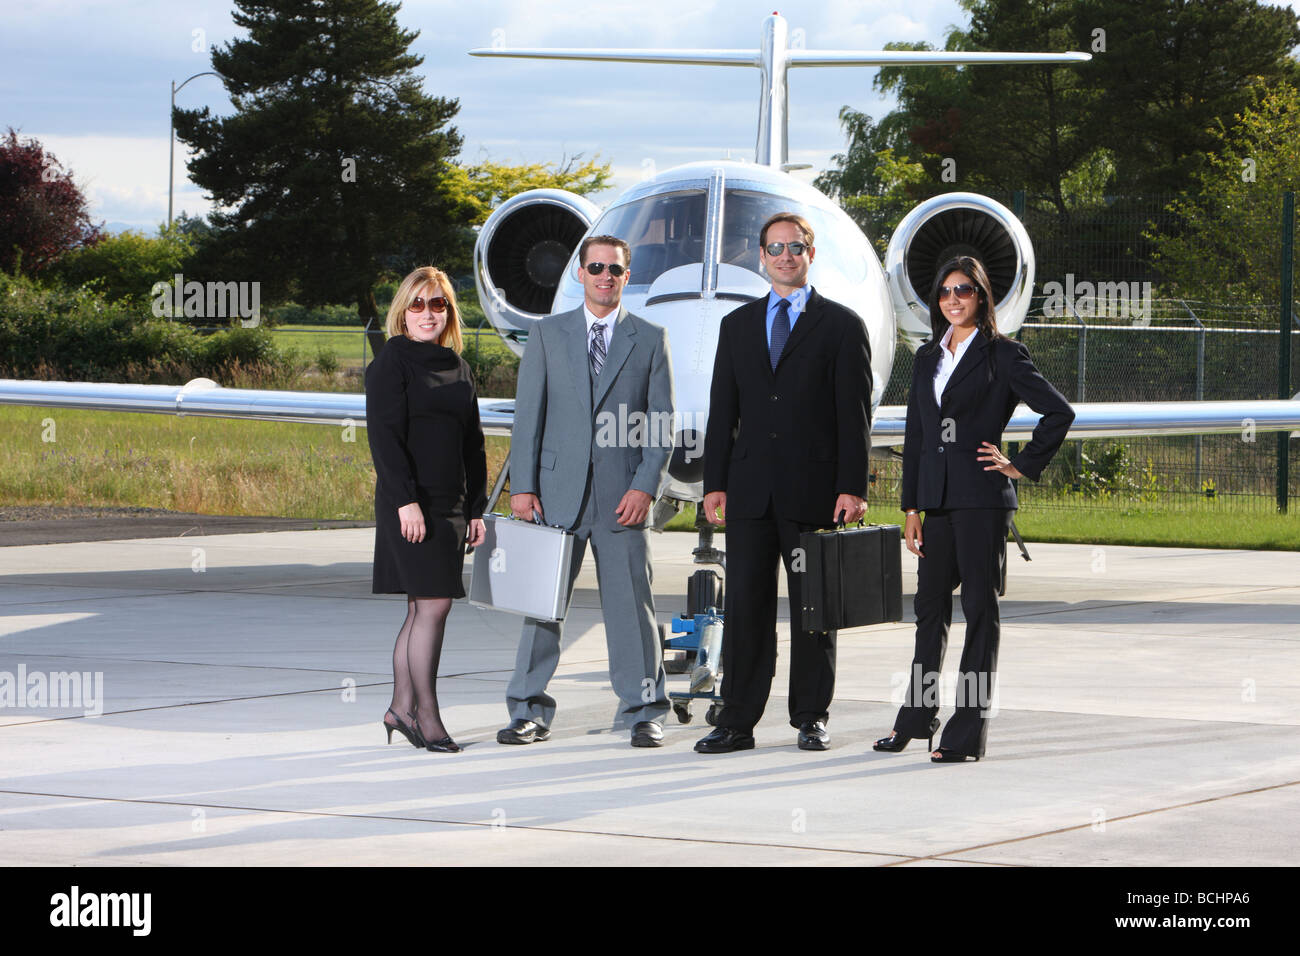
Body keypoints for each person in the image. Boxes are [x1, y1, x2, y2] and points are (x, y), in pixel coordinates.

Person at [873, 255, 1074, 763]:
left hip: (982, 501)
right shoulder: (926, 357)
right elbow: (917, 436)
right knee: (927, 613)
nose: (953, 299)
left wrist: (1022, 465)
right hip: (935, 504)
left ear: (982, 296)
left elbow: (1058, 412)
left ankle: (966, 734)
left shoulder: (1004, 355)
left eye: (964, 290)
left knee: (981, 613)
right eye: (944, 291)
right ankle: (916, 718)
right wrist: (912, 506)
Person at [694, 212, 873, 754]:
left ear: (810, 253)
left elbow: (854, 417)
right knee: (746, 610)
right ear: (761, 257)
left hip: (815, 492)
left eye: (795, 247)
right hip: (749, 495)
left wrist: (853, 486)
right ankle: (738, 721)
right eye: (775, 248)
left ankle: (811, 716)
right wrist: (715, 482)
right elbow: (722, 411)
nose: (785, 256)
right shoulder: (738, 325)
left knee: (814, 611)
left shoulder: (842, 327)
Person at [499, 235, 676, 748]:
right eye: (595, 267)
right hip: (555, 494)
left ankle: (644, 708)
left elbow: (661, 424)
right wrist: (523, 487)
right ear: (580, 273)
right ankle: (528, 710)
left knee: (632, 607)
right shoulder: (548, 335)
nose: (605, 276)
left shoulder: (649, 337)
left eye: (615, 270)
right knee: (542, 606)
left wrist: (646, 486)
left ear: (626, 275)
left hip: (623, 497)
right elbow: (528, 417)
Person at [366, 266, 487, 754]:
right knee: (433, 605)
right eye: (417, 304)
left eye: (438, 304)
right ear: (403, 311)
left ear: (449, 313)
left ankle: (400, 708)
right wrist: (406, 502)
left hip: (452, 505)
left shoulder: (457, 365)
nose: (427, 313)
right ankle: (427, 717)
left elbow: (473, 444)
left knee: (421, 607)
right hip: (410, 504)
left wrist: (476, 508)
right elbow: (385, 440)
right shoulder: (391, 362)